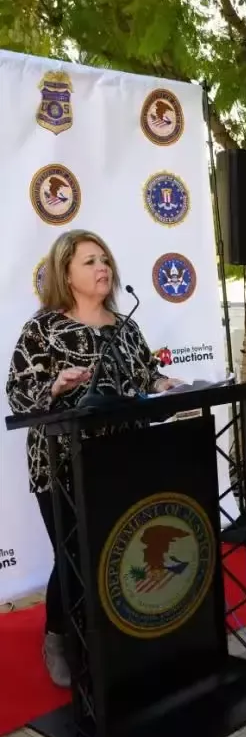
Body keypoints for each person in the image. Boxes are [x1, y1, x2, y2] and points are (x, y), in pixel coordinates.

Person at [5, 230, 181, 687]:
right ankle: (57, 637)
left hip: (123, 459)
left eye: (104, 259)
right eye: (89, 261)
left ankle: (118, 634)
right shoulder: (42, 329)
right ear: (66, 273)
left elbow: (147, 375)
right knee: (75, 556)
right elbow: (18, 394)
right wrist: (56, 387)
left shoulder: (125, 327)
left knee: (117, 552)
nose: (102, 267)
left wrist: (167, 387)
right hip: (61, 464)